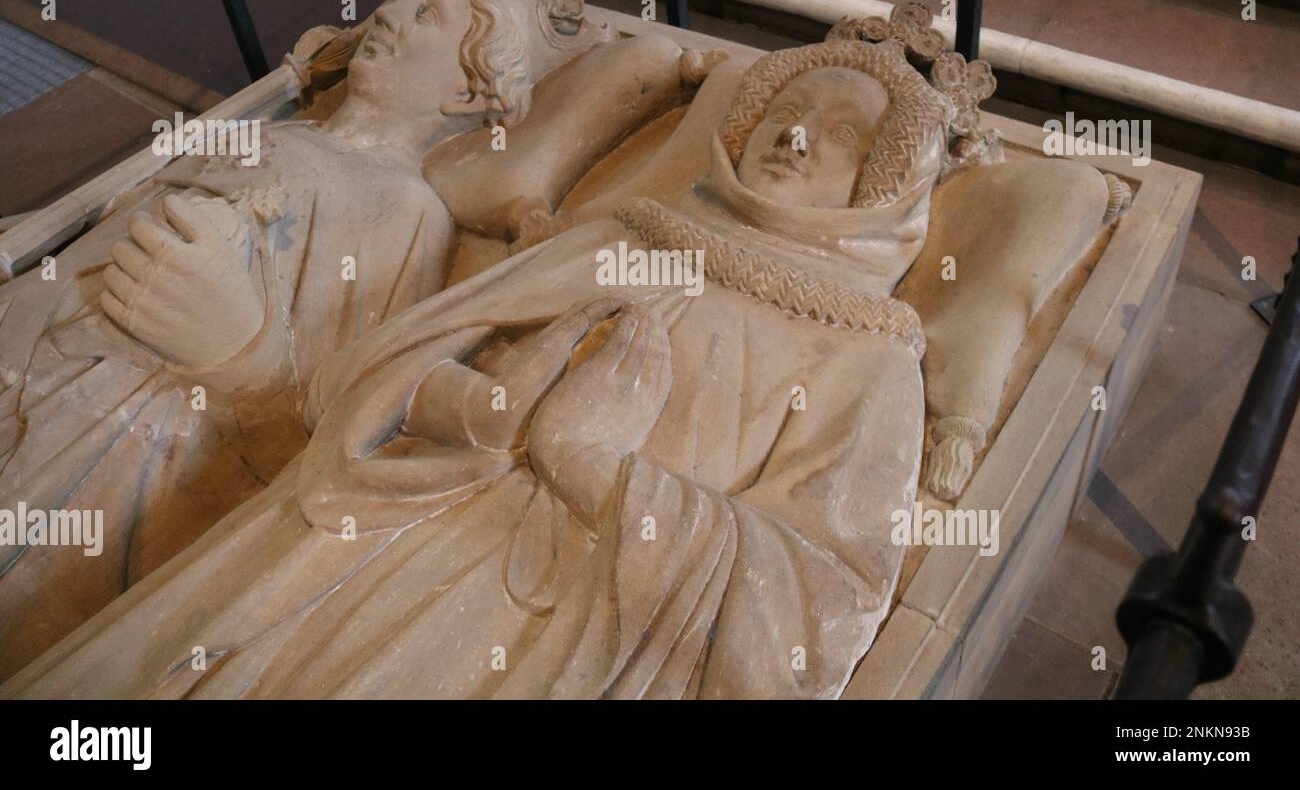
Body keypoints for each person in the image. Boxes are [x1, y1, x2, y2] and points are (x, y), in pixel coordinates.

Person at [4, 38, 957, 699]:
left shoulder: (864, 348)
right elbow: (376, 371)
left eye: (840, 135)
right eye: (785, 113)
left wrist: (602, 473)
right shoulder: (620, 237)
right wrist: (483, 406)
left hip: (556, 632)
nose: (794, 136)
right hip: (370, 530)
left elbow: (820, 608)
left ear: (885, 183)